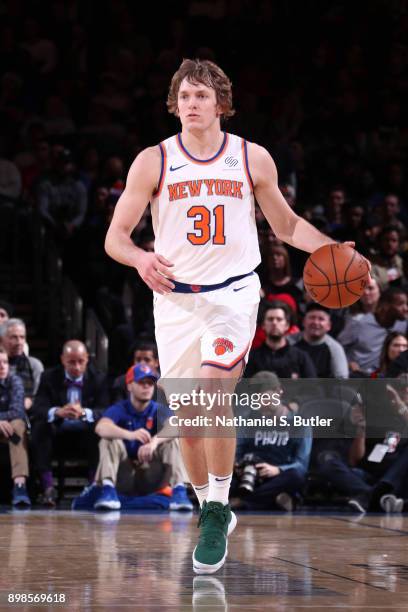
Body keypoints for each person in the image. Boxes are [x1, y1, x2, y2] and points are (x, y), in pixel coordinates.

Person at [104, 58, 359, 574]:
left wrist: (333, 247)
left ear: (222, 102)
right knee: (192, 424)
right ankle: (208, 502)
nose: (192, 104)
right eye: (184, 96)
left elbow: (286, 225)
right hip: (175, 300)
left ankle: (217, 509)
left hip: (233, 295)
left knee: (216, 388)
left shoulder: (250, 157)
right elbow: (115, 238)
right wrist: (141, 258)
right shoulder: (152, 161)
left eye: (202, 95)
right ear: (174, 105)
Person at [73, 364, 190, 511]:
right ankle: (108, 490)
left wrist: (154, 442)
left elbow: (177, 427)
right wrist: (130, 435)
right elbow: (101, 427)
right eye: (141, 383)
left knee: (172, 441)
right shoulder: (119, 408)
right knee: (108, 439)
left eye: (150, 383)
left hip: (151, 474)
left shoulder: (158, 409)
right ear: (129, 386)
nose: (146, 387)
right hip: (124, 476)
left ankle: (179, 490)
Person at [31, 340, 109, 506]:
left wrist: (85, 413)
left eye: (81, 361)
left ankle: (93, 486)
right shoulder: (49, 376)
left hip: (85, 432)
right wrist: (57, 411)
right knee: (40, 427)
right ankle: (48, 488)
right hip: (57, 431)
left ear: (87, 358)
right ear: (62, 360)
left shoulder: (99, 378)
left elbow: (106, 410)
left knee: (100, 429)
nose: (77, 367)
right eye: (71, 362)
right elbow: (38, 407)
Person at [232, 371, 311, 511]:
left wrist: (277, 470)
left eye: (263, 395)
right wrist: (237, 465)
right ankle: (274, 500)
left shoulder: (299, 423)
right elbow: (237, 451)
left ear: (278, 391)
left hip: (279, 475)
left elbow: (301, 464)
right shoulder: (247, 420)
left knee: (296, 476)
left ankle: (245, 501)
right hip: (251, 475)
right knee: (223, 476)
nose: (259, 401)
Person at [338, 288, 408, 376]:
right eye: (400, 304)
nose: (406, 308)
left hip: (388, 376)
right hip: (359, 377)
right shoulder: (359, 323)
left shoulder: (403, 323)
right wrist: (349, 362)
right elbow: (339, 347)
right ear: (385, 305)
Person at [246, 302, 317, 379]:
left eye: (279, 319)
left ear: (287, 325)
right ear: (263, 325)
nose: (274, 323)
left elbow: (312, 388)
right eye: (270, 319)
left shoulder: (301, 358)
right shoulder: (250, 358)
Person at [0, 347, 31, 507]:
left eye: (5, 362)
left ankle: (20, 485)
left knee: (18, 425)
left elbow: (17, 411)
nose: (2, 366)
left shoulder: (15, 380)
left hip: (9, 430)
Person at [289, 303, 349, 378]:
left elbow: (342, 379)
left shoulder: (335, 348)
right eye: (312, 318)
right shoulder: (289, 342)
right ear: (303, 322)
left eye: (321, 319)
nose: (316, 322)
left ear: (329, 326)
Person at [0, 318, 43, 411]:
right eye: (14, 337)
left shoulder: (34, 365)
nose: (19, 342)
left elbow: (40, 397)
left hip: (25, 415)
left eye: (22, 337)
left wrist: (30, 401)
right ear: (1, 339)